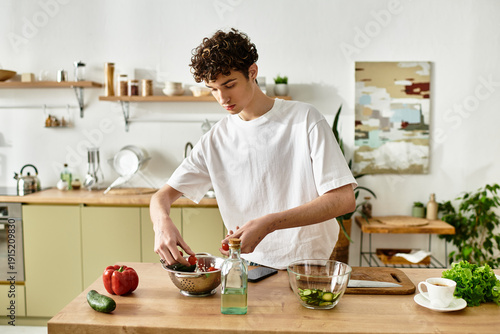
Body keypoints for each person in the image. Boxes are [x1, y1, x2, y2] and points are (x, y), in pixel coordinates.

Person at [150, 28, 357, 270]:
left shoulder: (305, 119)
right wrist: (161, 224)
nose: (222, 98)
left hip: (309, 267)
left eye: (229, 84)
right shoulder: (215, 139)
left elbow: (343, 200)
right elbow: (160, 197)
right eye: (213, 89)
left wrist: (270, 223)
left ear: (252, 72)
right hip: (248, 268)